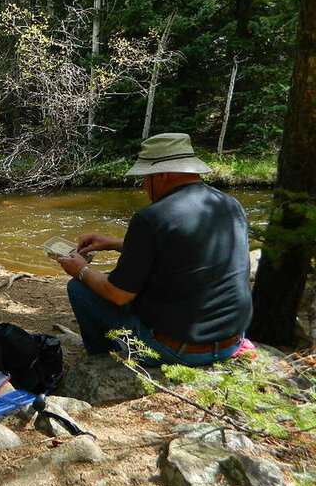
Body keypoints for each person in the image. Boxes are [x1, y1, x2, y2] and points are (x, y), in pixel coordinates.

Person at [56, 133, 252, 367]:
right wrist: (111, 243)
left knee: (80, 288)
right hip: (231, 342)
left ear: (162, 174)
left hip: (175, 351)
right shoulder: (229, 204)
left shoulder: (151, 217)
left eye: (145, 176)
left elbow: (119, 294)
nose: (143, 184)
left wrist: (81, 270)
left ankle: (103, 357)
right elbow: (182, 250)